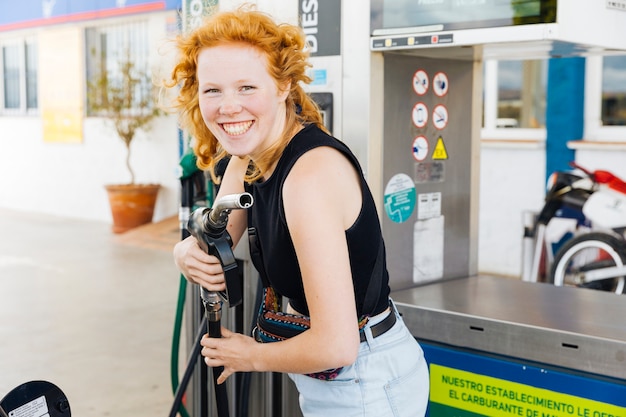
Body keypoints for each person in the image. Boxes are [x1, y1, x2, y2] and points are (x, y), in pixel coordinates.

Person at [169, 6, 429, 416]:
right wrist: (185, 251)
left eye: (247, 88)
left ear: (283, 85)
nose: (228, 107)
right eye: (212, 90)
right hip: (332, 375)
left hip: (367, 380)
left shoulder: (309, 177)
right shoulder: (248, 160)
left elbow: (335, 344)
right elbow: (216, 235)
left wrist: (248, 355)